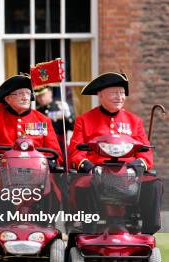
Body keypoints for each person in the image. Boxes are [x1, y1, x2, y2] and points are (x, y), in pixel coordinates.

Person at [68, 72, 162, 234]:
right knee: (82, 183)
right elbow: (75, 151)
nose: (119, 97)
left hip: (129, 175)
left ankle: (148, 231)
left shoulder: (135, 121)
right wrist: (86, 164)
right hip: (96, 174)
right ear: (100, 95)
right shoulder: (84, 120)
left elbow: (146, 152)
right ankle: (88, 229)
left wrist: (139, 163)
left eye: (122, 92)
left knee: (154, 183)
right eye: (114, 92)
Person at [0, 75, 63, 168]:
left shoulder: (42, 119)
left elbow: (55, 153)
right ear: (8, 99)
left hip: (38, 170)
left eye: (28, 93)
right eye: (20, 94)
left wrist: (47, 163)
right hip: (3, 170)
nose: (25, 98)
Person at [35, 86, 74, 156]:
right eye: (38, 96)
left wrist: (68, 116)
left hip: (59, 145)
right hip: (42, 146)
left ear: (50, 93)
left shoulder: (60, 106)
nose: (41, 98)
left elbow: (72, 127)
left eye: (43, 95)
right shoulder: (37, 110)